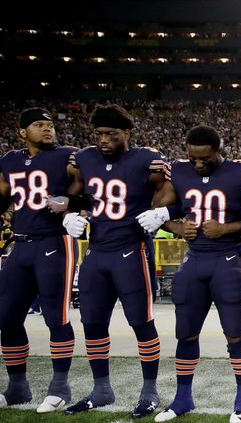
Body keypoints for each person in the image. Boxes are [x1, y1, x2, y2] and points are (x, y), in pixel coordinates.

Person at [139, 125, 241, 423]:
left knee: (234, 332)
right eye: (193, 158)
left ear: (219, 150)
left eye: (205, 159)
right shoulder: (178, 170)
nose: (198, 164)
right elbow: (155, 213)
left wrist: (226, 228)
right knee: (185, 332)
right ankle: (183, 398)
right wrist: (176, 227)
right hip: (194, 259)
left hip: (227, 259)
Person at [49, 104, 169, 418]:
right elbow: (69, 195)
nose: (103, 139)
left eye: (111, 134)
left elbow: (172, 191)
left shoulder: (147, 159)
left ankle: (150, 390)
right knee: (92, 323)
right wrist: (67, 214)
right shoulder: (85, 157)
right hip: (97, 253)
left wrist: (162, 213)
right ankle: (101, 389)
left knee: (142, 324)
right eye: (99, 133)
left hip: (131, 251)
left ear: (127, 133)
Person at [0, 108, 78, 413]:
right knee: (6, 317)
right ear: (22, 131)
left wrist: (71, 200)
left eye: (50, 125)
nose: (48, 129)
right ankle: (17, 386)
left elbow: (87, 185)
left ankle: (60, 388)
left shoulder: (67, 155)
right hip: (20, 245)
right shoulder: (10, 160)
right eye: (39, 125)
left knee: (55, 317)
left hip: (53, 242)